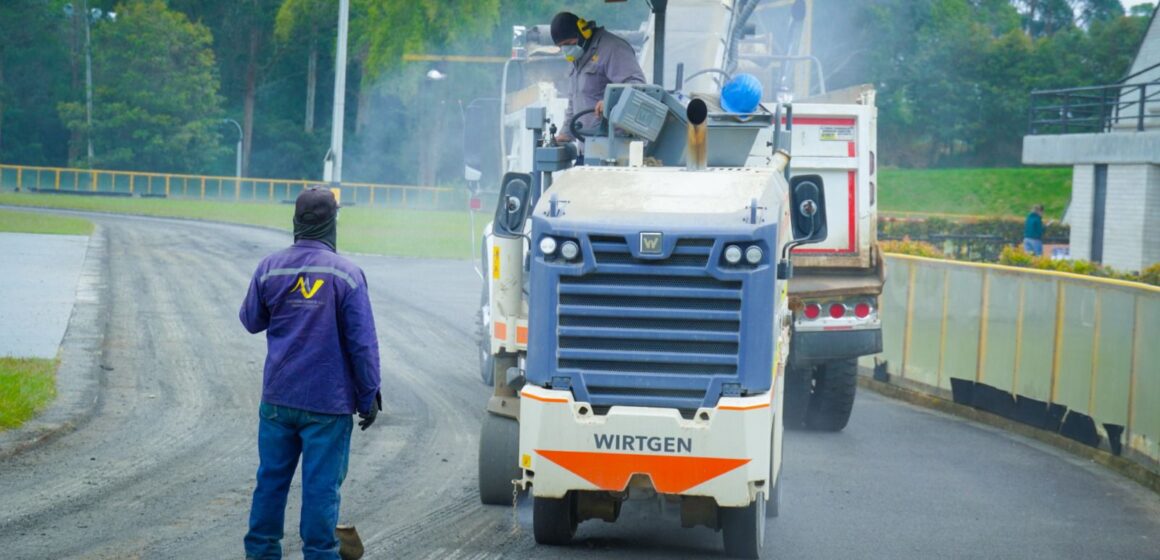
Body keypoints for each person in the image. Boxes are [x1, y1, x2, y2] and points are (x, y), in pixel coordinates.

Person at [240, 185, 382, 560]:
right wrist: (368, 396)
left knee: (270, 482)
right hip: (327, 404)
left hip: (277, 400)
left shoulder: (270, 268)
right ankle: (320, 554)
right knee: (321, 489)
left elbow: (251, 321)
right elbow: (362, 345)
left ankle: (260, 553)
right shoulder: (348, 276)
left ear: (295, 222)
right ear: (332, 222)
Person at [550, 11, 646, 143]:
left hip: (616, 146)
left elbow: (638, 85)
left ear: (584, 33)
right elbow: (574, 101)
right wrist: (566, 133)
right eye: (561, 47)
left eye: (569, 43)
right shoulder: (577, 58)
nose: (566, 50)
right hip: (587, 147)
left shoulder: (613, 48)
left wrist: (611, 101)